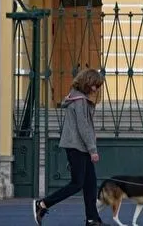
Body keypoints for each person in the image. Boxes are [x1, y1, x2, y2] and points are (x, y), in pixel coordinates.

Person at [33, 68, 108, 226]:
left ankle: (92, 219)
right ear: (88, 82)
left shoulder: (77, 98)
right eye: (95, 85)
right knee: (77, 183)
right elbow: (84, 127)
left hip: (78, 146)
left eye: (98, 86)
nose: (96, 89)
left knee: (90, 184)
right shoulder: (79, 101)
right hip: (77, 146)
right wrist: (93, 150)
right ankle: (43, 204)